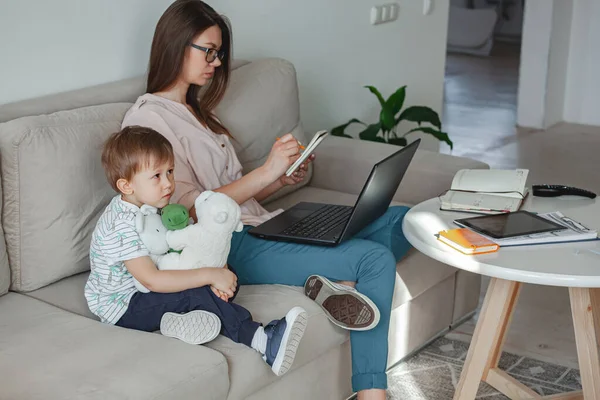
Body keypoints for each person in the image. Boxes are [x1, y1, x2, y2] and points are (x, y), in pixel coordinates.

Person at [121, 1, 412, 398]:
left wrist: (278, 181)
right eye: (208, 50)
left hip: (263, 223)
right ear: (175, 44)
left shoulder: (195, 111)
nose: (216, 62)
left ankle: (330, 280)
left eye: (219, 52)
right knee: (374, 258)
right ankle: (371, 392)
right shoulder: (149, 122)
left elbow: (236, 191)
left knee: (403, 219)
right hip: (233, 246)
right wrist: (266, 172)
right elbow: (187, 213)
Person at [84, 125, 308, 377]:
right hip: (126, 306)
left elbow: (178, 248)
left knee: (227, 274)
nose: (169, 183)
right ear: (126, 186)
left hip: (149, 285)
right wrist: (208, 275)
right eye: (157, 176)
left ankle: (179, 320)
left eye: (169, 171)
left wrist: (216, 271)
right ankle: (263, 340)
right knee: (200, 289)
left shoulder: (151, 203)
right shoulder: (121, 225)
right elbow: (152, 280)